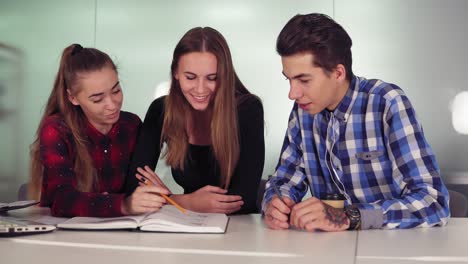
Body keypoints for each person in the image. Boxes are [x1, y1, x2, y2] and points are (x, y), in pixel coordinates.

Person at [262, 13, 450, 231]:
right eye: (289, 79)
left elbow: (433, 202)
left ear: (338, 73)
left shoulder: (387, 103)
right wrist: (276, 204)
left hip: (394, 248)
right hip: (330, 250)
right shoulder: (302, 112)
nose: (292, 93)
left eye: (303, 80)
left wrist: (349, 216)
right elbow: (284, 181)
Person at [125, 27, 265, 214]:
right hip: (185, 222)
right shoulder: (161, 110)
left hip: (239, 227)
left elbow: (243, 199)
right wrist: (187, 202)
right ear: (175, 73)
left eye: (212, 78)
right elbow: (134, 189)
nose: (200, 89)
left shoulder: (247, 109)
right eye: (190, 77)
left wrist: (167, 198)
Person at [29, 44, 170, 217]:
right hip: (64, 235)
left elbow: (135, 189)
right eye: (97, 99)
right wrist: (124, 205)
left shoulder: (131, 125)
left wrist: (155, 195)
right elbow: (61, 200)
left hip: (123, 232)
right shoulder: (56, 130)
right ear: (72, 97)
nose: (112, 105)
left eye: (116, 90)